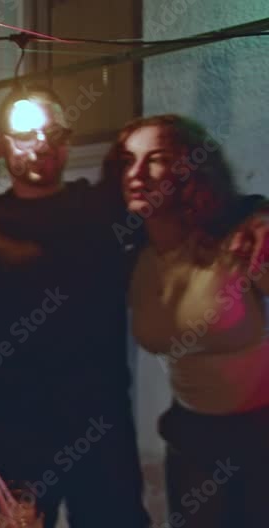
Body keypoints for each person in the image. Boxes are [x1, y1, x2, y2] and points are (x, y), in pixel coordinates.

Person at [0, 86, 152, 528]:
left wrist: (253, 212)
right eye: (25, 134)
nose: (42, 144)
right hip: (14, 425)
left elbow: (188, 209)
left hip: (99, 420)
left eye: (54, 133)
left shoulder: (104, 208)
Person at [113, 114, 269, 527]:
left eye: (156, 159)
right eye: (128, 161)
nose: (136, 173)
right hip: (191, 440)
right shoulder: (134, 257)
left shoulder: (239, 240)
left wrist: (264, 215)